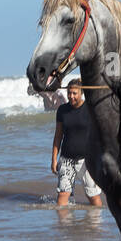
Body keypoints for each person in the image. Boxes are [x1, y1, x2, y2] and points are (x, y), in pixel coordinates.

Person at [51, 78, 102, 206]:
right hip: (66, 159)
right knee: (62, 197)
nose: (71, 96)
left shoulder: (90, 109)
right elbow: (58, 136)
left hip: (87, 160)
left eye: (74, 93)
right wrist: (54, 159)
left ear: (81, 93)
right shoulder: (62, 110)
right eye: (69, 93)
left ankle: (96, 219)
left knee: (93, 196)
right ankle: (64, 220)